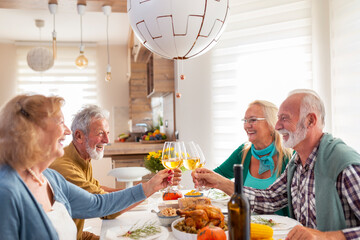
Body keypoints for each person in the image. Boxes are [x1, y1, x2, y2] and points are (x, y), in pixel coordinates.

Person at [0, 94, 179, 240]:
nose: (68, 131)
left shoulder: (51, 178)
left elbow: (97, 203)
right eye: (60, 121)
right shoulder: (7, 191)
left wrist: (150, 186)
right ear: (32, 131)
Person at [192, 89, 360, 239]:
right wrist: (219, 182)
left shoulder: (344, 165)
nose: (277, 126)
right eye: (278, 119)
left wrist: (325, 237)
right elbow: (271, 198)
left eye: (284, 119)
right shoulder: (297, 162)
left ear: (310, 121)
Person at [49, 105, 132, 239]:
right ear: (79, 136)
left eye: (107, 133)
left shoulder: (83, 157)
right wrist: (147, 190)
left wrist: (133, 192)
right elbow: (107, 210)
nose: (107, 140)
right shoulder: (64, 167)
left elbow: (96, 189)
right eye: (100, 133)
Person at [212, 100, 292, 216]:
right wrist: (202, 175)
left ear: (271, 124)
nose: (246, 125)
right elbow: (217, 175)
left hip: (281, 230)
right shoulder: (244, 152)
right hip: (246, 226)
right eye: (245, 120)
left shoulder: (289, 157)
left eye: (253, 120)